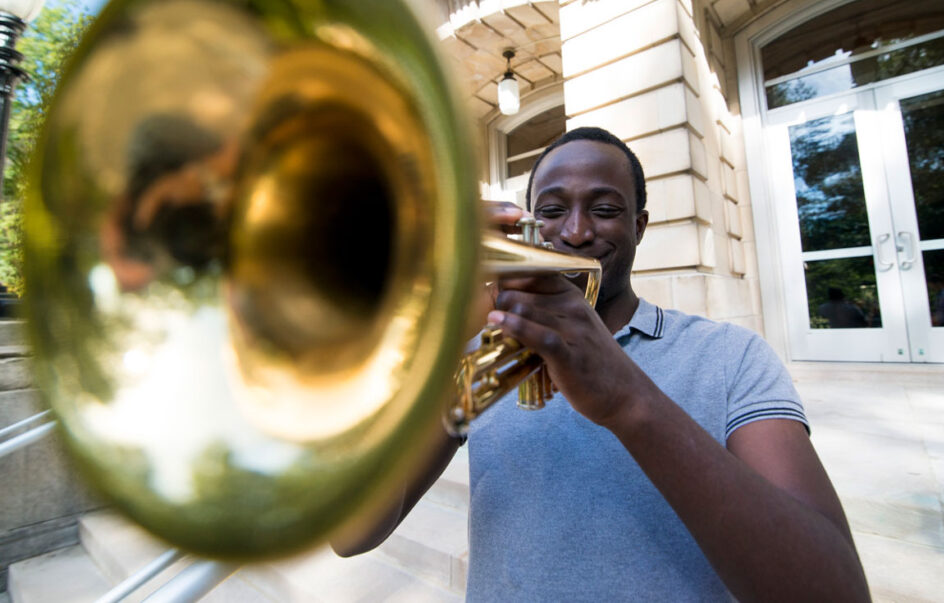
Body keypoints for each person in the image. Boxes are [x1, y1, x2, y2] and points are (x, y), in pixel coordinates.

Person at [334, 127, 869, 602]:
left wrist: (629, 399)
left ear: (639, 226)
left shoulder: (730, 356)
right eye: (550, 210)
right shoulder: (489, 365)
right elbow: (353, 532)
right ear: (525, 227)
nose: (574, 232)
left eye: (605, 210)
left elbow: (837, 591)